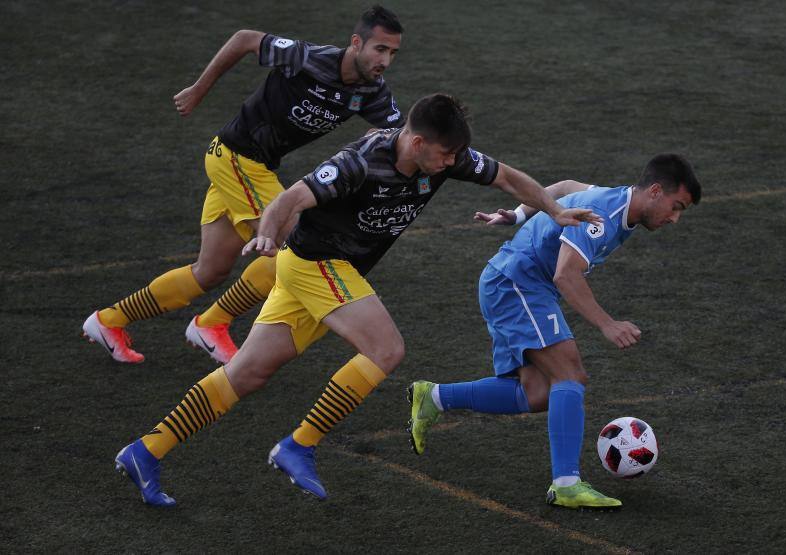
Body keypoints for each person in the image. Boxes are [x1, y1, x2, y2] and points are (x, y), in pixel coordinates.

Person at [112, 93, 602, 506]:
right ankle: (299, 444)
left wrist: (554, 209)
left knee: (247, 373)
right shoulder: (360, 162)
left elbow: (508, 177)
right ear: (417, 143)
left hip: (317, 273)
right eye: (445, 156)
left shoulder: (443, 158)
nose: (452, 164)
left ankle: (147, 451)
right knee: (387, 349)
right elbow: (290, 200)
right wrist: (266, 234)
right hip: (316, 265)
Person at [82, 5, 405, 364]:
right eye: (380, 49)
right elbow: (246, 39)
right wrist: (198, 89)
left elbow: (395, 135)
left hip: (252, 167)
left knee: (210, 270)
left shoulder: (373, 91)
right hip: (237, 158)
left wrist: (368, 153)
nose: (385, 61)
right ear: (357, 42)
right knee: (300, 248)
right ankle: (213, 322)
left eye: (392, 53)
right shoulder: (307, 58)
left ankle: (108, 321)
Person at [408, 153, 702, 509]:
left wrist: (517, 214)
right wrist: (607, 324)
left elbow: (562, 188)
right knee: (570, 375)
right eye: (676, 206)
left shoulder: (614, 198)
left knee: (536, 394)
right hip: (516, 283)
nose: (675, 218)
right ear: (655, 191)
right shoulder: (604, 218)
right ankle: (566, 484)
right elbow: (566, 275)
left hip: (514, 281)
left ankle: (434, 397)